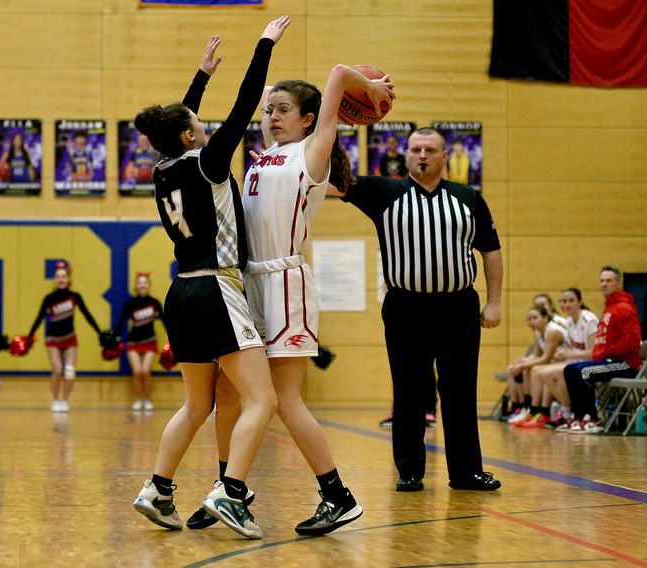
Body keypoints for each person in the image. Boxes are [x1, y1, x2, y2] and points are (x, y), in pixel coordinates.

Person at [131, 18, 289, 540]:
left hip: (180, 291)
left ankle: (157, 488)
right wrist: (265, 44)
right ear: (188, 134)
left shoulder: (161, 168)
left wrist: (199, 78)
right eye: (197, 121)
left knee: (199, 404)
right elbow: (246, 104)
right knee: (261, 400)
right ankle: (232, 492)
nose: (205, 124)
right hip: (218, 288)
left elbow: (172, 125)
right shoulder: (209, 162)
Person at [228, 65, 392, 535]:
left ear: (309, 119)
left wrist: (368, 88)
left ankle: (336, 496)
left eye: (283, 111)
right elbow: (262, 99)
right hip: (253, 282)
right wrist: (266, 92)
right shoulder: (265, 156)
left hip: (286, 282)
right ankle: (229, 487)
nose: (272, 117)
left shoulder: (312, 153)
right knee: (250, 396)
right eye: (268, 111)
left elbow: (338, 73)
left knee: (285, 399)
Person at [334, 127, 503, 492]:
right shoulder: (384, 192)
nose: (421, 155)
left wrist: (494, 301)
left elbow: (490, 249)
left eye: (429, 150)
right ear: (407, 156)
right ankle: (409, 471)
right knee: (409, 391)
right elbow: (337, 178)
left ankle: (466, 473)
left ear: (445, 157)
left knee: (460, 391)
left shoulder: (468, 198)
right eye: (415, 150)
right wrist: (329, 129)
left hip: (457, 307)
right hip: (405, 307)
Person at [561, 266, 641, 434]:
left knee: (585, 373)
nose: (604, 284)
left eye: (609, 281)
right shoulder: (609, 307)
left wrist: (609, 351)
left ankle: (592, 418)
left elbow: (633, 340)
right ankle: (578, 417)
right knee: (570, 370)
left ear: (618, 284)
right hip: (610, 360)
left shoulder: (624, 308)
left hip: (625, 363)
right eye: (602, 281)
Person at [26, 261, 104, 412]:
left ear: (68, 279)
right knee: (57, 369)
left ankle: (65, 400)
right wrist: (29, 336)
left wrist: (100, 333)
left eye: (64, 276)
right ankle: (55, 400)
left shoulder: (74, 296)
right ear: (54, 280)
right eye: (58, 276)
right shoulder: (49, 298)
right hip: (53, 339)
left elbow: (87, 315)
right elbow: (39, 318)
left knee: (69, 371)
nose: (61, 279)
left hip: (70, 338)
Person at [532, 288, 599, 427]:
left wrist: (569, 354)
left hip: (591, 364)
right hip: (575, 362)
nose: (566, 304)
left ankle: (571, 413)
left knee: (560, 373)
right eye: (562, 301)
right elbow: (571, 349)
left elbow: (595, 352)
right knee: (543, 374)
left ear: (579, 302)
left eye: (570, 300)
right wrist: (560, 353)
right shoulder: (568, 322)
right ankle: (567, 412)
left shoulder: (589, 320)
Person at [505, 304, 570, 428]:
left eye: (535, 318)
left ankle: (539, 412)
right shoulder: (538, 332)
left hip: (567, 362)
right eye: (529, 319)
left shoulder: (552, 332)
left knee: (535, 371)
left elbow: (546, 358)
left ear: (545, 318)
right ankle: (527, 409)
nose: (532, 322)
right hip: (554, 363)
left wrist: (524, 366)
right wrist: (522, 363)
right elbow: (536, 355)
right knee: (523, 368)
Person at [114, 273, 164, 411]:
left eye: (145, 282)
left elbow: (165, 321)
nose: (142, 285)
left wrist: (173, 337)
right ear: (136, 286)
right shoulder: (130, 303)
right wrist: (113, 338)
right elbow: (121, 322)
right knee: (137, 372)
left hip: (150, 341)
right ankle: (137, 399)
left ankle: (147, 399)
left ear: (149, 285)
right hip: (133, 342)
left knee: (145, 371)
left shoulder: (154, 303)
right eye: (140, 283)